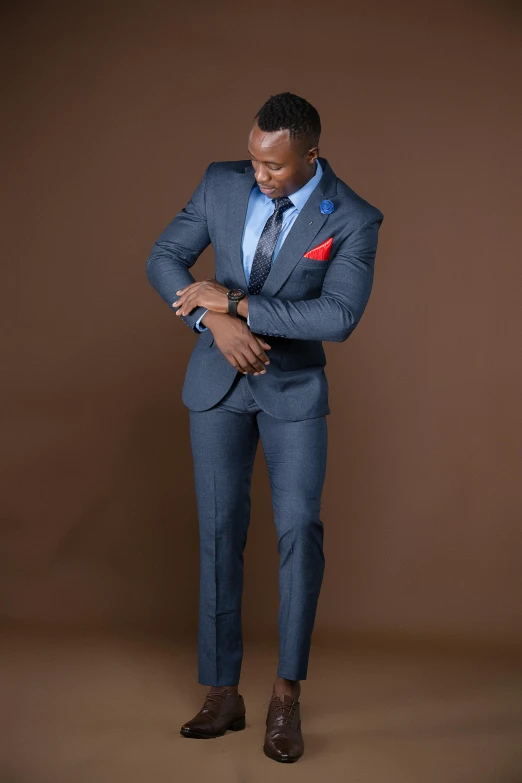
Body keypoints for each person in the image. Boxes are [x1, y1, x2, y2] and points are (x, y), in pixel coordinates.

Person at [146, 91, 384, 763]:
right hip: (216, 384)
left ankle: (285, 695)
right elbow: (164, 259)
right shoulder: (221, 182)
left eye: (275, 167)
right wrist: (212, 320)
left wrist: (240, 301)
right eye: (254, 159)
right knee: (220, 534)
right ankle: (223, 691)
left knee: (297, 533)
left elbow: (337, 316)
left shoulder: (355, 217)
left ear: (310, 156)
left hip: (293, 391)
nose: (259, 174)